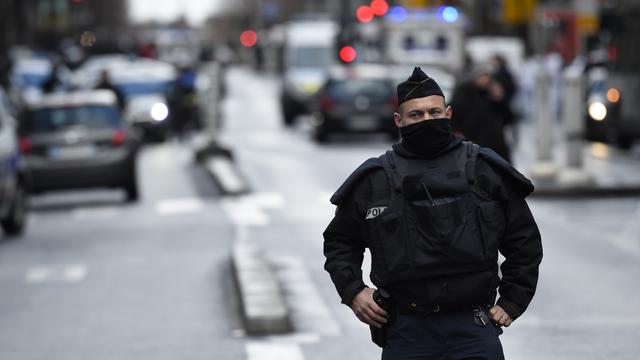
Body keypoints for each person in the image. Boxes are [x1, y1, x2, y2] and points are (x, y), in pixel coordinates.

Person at [323, 67, 542, 359]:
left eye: (434, 112)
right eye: (416, 115)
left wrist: (512, 301)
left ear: (448, 114)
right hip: (407, 330)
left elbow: (524, 240)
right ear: (399, 120)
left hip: (473, 328)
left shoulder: (482, 169)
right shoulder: (375, 180)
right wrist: (353, 291)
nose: (427, 120)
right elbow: (340, 242)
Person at [450, 63, 513, 163]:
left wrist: (500, 101)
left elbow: (508, 119)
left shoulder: (492, 93)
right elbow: (454, 117)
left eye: (488, 76)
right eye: (482, 76)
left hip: (496, 148)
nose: (485, 80)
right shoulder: (464, 93)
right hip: (474, 148)